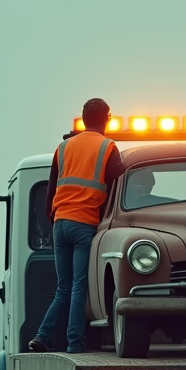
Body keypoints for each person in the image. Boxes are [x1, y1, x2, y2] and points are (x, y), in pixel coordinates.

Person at [28, 98, 125, 353]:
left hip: (60, 223)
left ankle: (42, 335)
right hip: (84, 225)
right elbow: (120, 175)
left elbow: (52, 188)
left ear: (83, 120)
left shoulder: (64, 147)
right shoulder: (108, 148)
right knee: (79, 286)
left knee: (64, 287)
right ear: (108, 119)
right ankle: (74, 342)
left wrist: (54, 218)